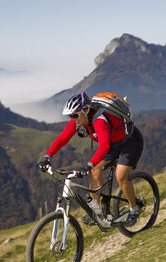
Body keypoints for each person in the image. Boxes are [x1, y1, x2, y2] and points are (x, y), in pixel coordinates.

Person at [39, 91, 143, 227]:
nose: (73, 119)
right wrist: (47, 156)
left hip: (129, 143)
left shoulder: (100, 121)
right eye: (70, 116)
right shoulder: (78, 120)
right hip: (112, 144)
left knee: (121, 176)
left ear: (85, 110)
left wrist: (89, 165)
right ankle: (96, 212)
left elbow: (104, 146)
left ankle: (134, 209)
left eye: (75, 115)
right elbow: (63, 138)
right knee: (95, 171)